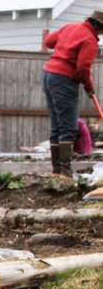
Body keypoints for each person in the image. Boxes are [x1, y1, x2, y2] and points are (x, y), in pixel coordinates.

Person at [43, 10, 103, 179]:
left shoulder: (69, 27)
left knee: (56, 124)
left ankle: (56, 170)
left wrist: (66, 46)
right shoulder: (90, 40)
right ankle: (66, 172)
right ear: (99, 27)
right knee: (68, 127)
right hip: (64, 81)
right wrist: (89, 87)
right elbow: (82, 70)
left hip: (48, 76)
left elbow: (48, 41)